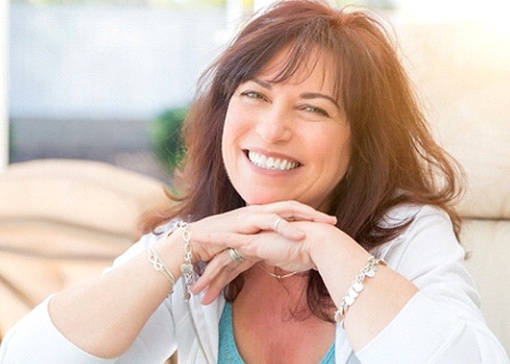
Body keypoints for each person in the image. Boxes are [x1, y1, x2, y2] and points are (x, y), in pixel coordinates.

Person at [1, 0, 508, 362]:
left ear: (363, 143)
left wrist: (323, 247)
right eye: (254, 95)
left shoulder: (409, 232)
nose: (271, 130)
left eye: (313, 108)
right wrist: (181, 246)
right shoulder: (198, 236)